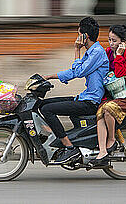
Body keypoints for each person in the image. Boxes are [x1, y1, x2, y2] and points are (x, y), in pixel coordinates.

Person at [42, 16, 109, 164]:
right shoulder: (91, 52)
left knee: (48, 110)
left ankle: (69, 147)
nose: (77, 38)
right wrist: (47, 77)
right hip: (83, 97)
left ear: (85, 36)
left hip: (90, 102)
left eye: (79, 34)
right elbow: (73, 72)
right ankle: (55, 136)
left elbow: (79, 72)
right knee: (42, 105)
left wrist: (76, 50)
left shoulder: (97, 52)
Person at [92, 24, 126, 167]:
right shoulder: (108, 52)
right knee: (100, 114)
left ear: (122, 41)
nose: (111, 43)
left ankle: (111, 139)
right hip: (110, 94)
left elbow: (120, 73)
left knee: (109, 109)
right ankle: (102, 150)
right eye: (109, 40)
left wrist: (120, 56)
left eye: (114, 40)